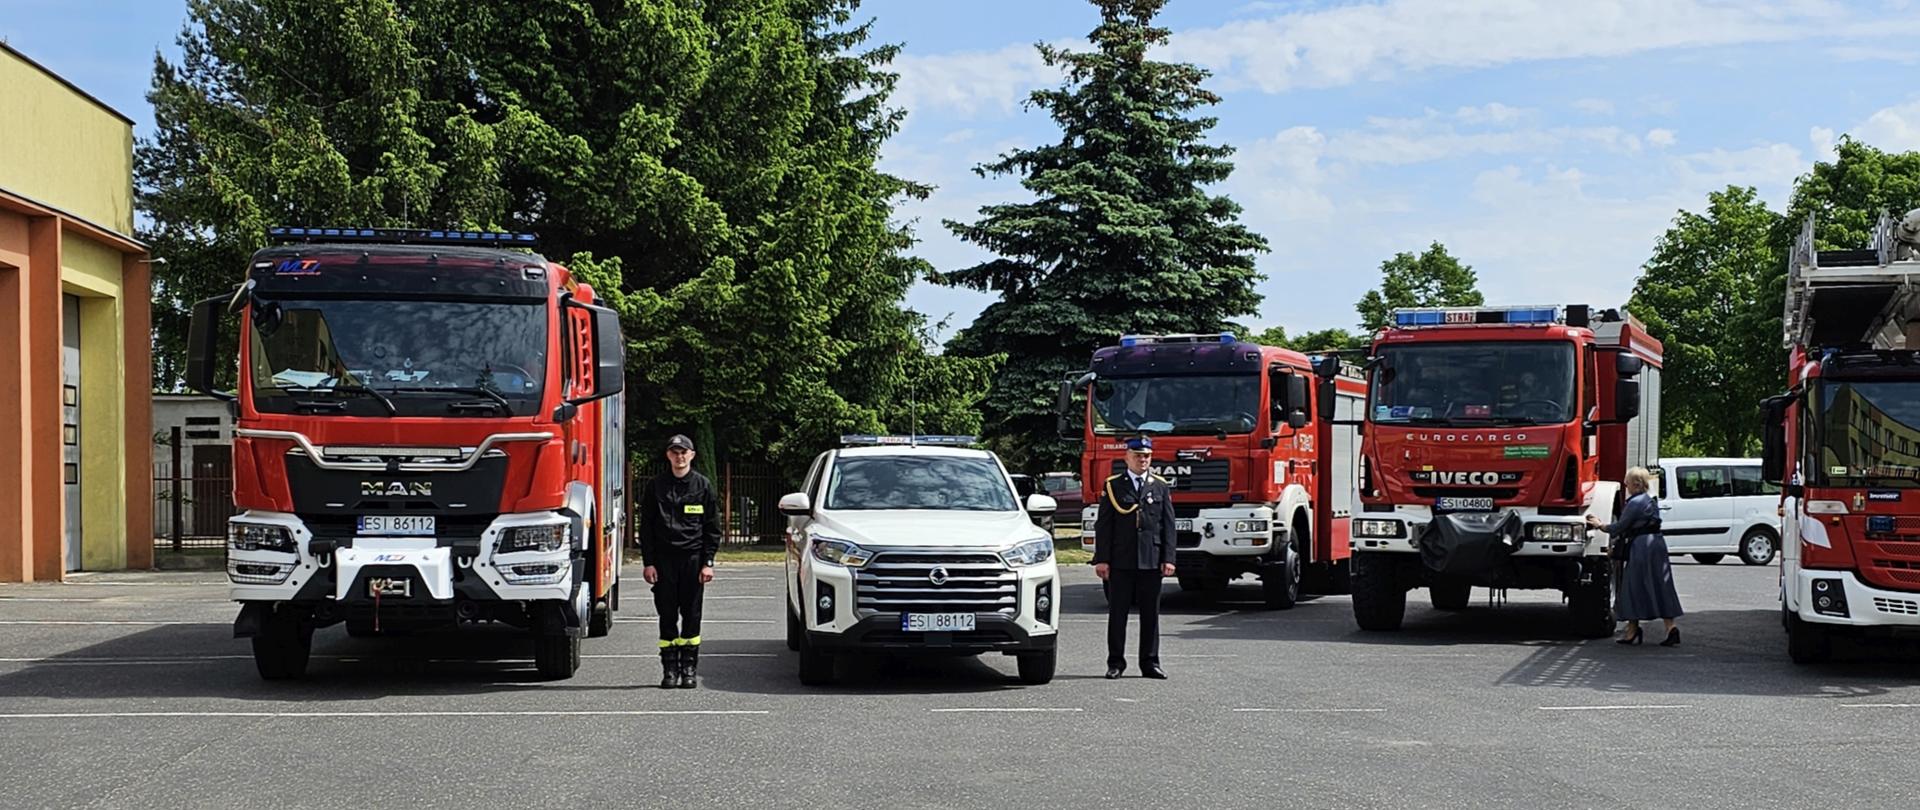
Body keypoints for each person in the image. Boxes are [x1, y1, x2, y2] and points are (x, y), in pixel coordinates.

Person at [638, 434, 721, 688]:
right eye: (675, 452)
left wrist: (708, 562)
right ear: (668, 456)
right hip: (664, 561)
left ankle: (689, 669)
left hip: (693, 560)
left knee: (692, 615)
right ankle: (670, 669)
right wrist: (648, 562)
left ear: (692, 455)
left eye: (684, 452)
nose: (679, 456)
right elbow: (647, 527)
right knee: (667, 614)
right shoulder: (656, 486)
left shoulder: (702, 486)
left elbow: (712, 528)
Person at [1093, 435, 1178, 679]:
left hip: (1151, 559)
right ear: (1127, 457)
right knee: (1118, 613)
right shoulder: (1113, 485)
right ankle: (1116, 663)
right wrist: (1102, 559)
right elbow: (1104, 526)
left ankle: (1150, 663)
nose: (1142, 460)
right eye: (1138, 455)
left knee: (1150, 614)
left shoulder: (1160, 485)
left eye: (1146, 456)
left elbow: (1167, 525)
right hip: (1121, 560)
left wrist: (1168, 557)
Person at [1587, 466, 1683, 646]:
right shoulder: (1649, 500)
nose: (1625, 484)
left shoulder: (1635, 503)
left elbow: (1620, 528)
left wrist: (1600, 525)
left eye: (1628, 482)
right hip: (1657, 545)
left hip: (1641, 547)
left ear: (1636, 484)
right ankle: (1671, 628)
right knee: (1660, 585)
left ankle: (1632, 630)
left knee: (1633, 585)